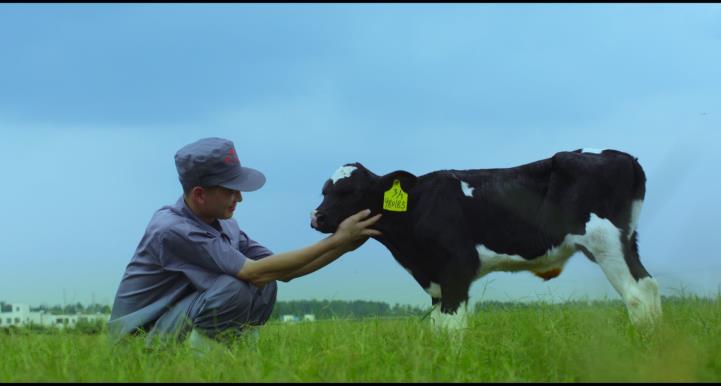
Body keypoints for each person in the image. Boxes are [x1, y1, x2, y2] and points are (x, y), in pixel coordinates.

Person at [108, 137, 381, 347]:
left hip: (174, 321)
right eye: (230, 190)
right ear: (200, 194)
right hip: (138, 341)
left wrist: (344, 244)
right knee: (236, 285)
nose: (239, 198)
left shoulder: (225, 224)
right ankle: (203, 366)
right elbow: (252, 271)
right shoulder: (173, 229)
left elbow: (282, 271)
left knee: (267, 282)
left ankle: (237, 355)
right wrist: (338, 240)